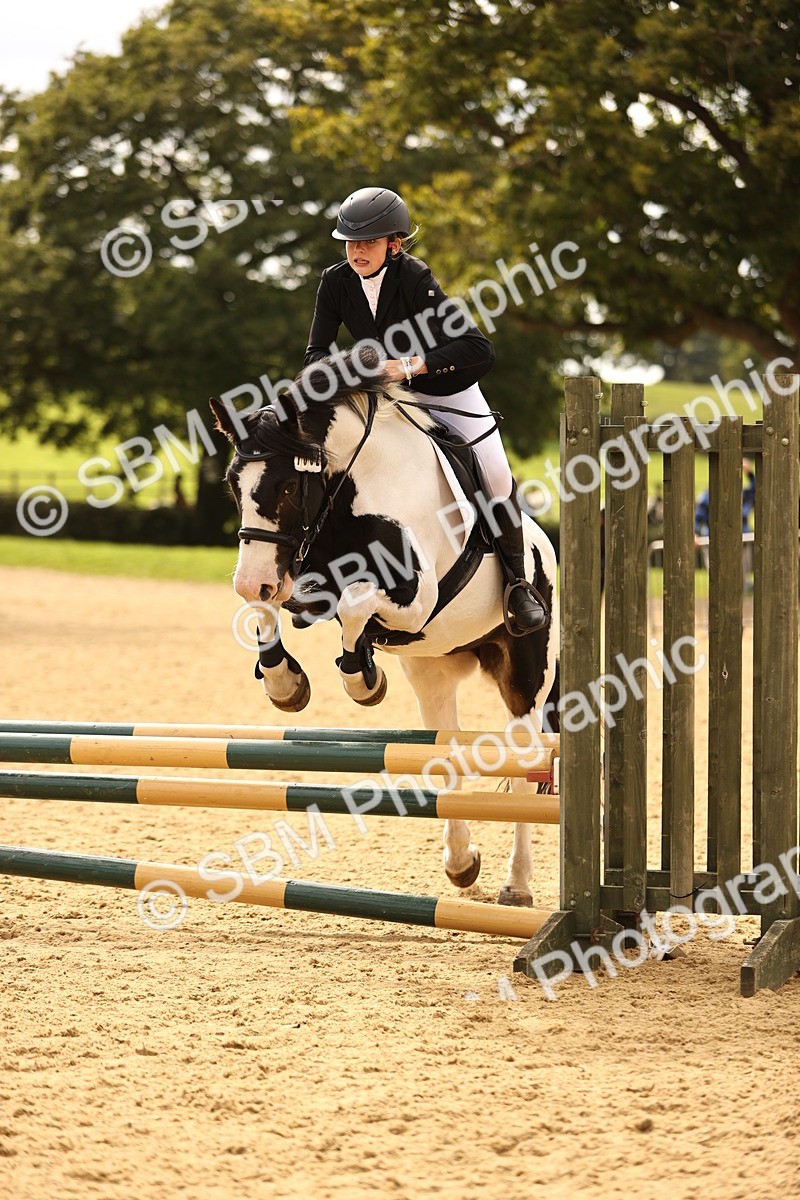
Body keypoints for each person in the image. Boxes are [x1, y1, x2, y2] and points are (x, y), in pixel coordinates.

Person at [303, 185, 548, 634]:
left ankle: (517, 584)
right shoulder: (334, 282)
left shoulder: (414, 278)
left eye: (369, 242)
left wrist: (410, 366)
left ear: (392, 244)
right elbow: (315, 352)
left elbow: (478, 348)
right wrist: (346, 369)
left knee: (493, 472)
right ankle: (316, 569)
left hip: (445, 388)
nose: (358, 251)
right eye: (351, 242)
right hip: (388, 397)